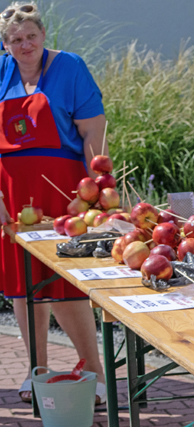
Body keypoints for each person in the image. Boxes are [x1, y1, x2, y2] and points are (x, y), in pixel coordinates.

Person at [0, 2, 107, 404]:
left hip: (63, 191)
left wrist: (94, 194)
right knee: (22, 282)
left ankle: (93, 368)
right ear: (5, 44)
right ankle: (37, 369)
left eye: (31, 37)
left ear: (43, 35)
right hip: (11, 197)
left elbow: (93, 133)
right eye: (15, 40)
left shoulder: (69, 67)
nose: (25, 45)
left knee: (66, 280)